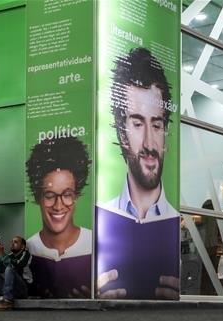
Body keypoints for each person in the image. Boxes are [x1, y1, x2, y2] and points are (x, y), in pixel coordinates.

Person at [96, 47, 179, 300]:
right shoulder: (99, 214)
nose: (149, 143)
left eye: (156, 125)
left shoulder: (174, 219)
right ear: (122, 133)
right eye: (137, 123)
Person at [25, 136, 92, 298]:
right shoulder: (28, 248)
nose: (58, 205)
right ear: (37, 197)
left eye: (67, 194)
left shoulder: (93, 243)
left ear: (76, 196)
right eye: (49, 195)